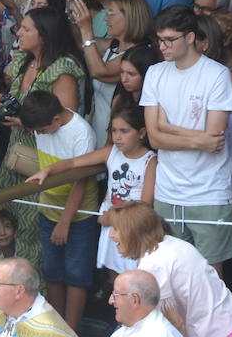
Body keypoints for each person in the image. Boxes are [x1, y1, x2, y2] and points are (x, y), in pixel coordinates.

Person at [104, 201, 232, 337]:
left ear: (132, 231)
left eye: (116, 228)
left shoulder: (153, 264)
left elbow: (173, 322)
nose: (110, 235)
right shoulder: (170, 243)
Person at [0, 7, 86, 270]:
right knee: (9, 221)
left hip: (43, 158)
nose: (19, 32)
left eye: (27, 28)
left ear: (44, 35)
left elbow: (66, 120)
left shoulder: (62, 69)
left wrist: (25, 121)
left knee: (33, 229)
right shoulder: (23, 62)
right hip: (15, 154)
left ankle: (36, 294)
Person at [142, 6, 232, 266]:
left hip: (209, 191)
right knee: (170, 272)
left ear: (190, 37)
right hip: (167, 191)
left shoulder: (217, 74)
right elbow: (154, 139)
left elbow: (214, 140)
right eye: (159, 39)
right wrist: (199, 139)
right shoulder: (155, 73)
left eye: (170, 40)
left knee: (210, 275)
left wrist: (169, 128)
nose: (162, 46)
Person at [31, 105, 155, 275]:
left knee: (134, 274)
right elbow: (74, 162)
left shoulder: (150, 161)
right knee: (113, 274)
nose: (117, 137)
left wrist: (113, 218)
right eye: (114, 131)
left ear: (141, 133)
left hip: (132, 227)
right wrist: (47, 170)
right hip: (110, 223)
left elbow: (145, 204)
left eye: (124, 131)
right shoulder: (111, 152)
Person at [18, 92, 100, 331]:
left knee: (77, 275)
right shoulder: (41, 125)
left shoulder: (81, 132)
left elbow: (82, 180)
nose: (39, 134)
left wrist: (65, 221)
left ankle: (71, 333)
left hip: (79, 214)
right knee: (53, 272)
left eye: (42, 130)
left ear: (56, 118)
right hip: (49, 208)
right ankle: (56, 328)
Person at [73, 0, 150, 148]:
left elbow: (99, 71)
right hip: (98, 124)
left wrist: (87, 28)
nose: (106, 18)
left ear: (129, 17)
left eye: (111, 13)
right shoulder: (114, 45)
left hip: (118, 133)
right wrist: (73, 15)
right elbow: (82, 42)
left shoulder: (137, 54)